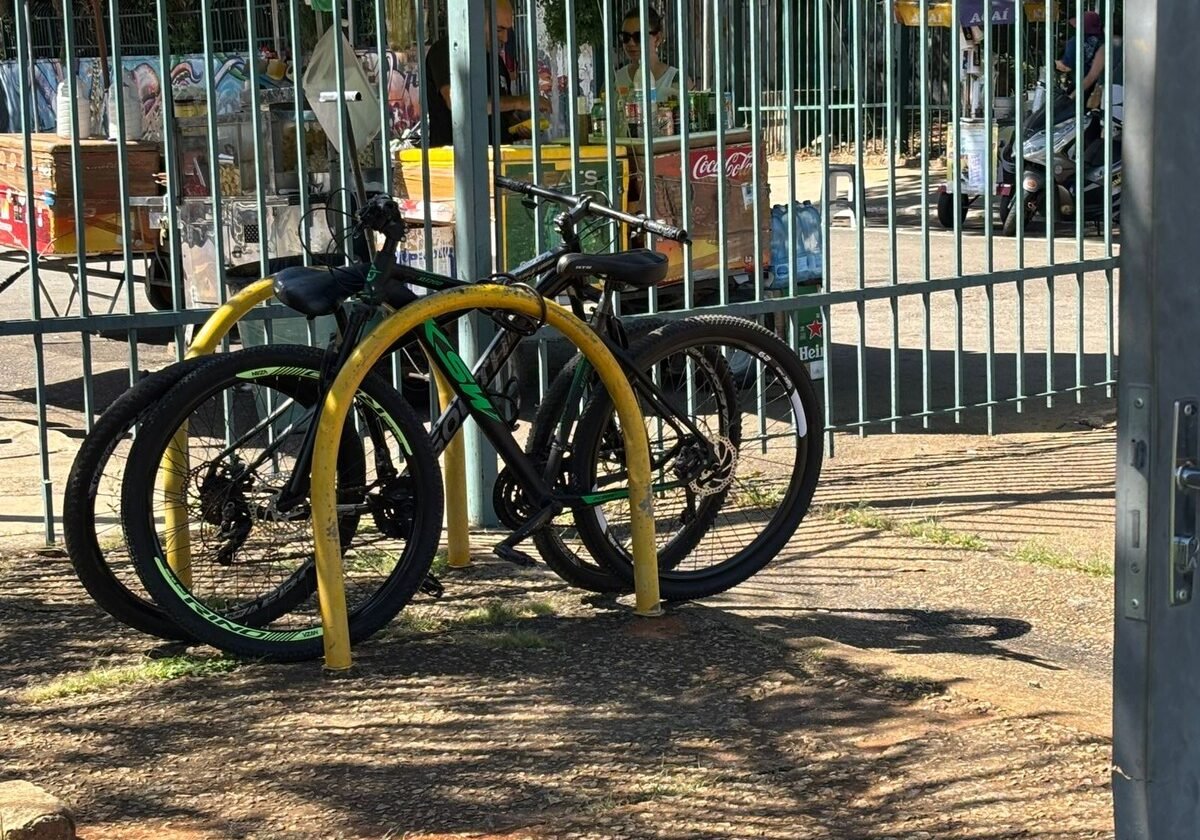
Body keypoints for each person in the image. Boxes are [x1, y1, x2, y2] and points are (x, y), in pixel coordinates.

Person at [423, 0, 549, 147]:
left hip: (498, 161)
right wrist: (519, 101)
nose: (506, 38)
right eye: (499, 30)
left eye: (509, 30)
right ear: (475, 20)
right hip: (456, 163)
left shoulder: (496, 61)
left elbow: (498, 114)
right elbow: (459, 104)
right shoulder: (447, 51)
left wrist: (520, 126)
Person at [612, 7, 688, 102]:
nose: (631, 43)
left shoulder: (677, 80)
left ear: (657, 39)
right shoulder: (615, 79)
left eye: (638, 36)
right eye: (625, 37)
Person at [1055, 10, 1105, 104]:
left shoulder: (1075, 42)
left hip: (1080, 85)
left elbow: (1067, 67)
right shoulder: (1103, 42)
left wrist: (1054, 63)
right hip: (1099, 87)